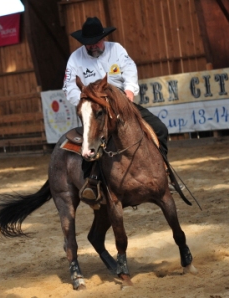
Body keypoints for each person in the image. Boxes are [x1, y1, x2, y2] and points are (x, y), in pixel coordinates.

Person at [63, 17, 180, 201]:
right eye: (88, 44)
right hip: (94, 109)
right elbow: (69, 86)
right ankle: (92, 183)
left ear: (103, 39)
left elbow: (130, 70)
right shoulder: (75, 58)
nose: (93, 46)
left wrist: (129, 92)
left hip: (121, 103)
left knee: (159, 129)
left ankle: (163, 171)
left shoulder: (116, 49)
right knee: (88, 143)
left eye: (96, 42)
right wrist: (86, 100)